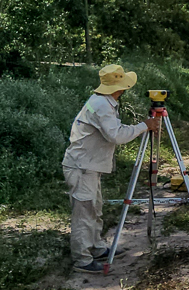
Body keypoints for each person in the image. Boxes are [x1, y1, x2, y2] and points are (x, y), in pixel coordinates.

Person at [62, 64, 160, 273]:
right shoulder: (101, 105)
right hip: (81, 166)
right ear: (120, 88)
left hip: (87, 165)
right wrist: (144, 126)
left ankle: (96, 247)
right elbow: (116, 135)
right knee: (84, 212)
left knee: (94, 208)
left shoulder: (104, 102)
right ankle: (82, 259)